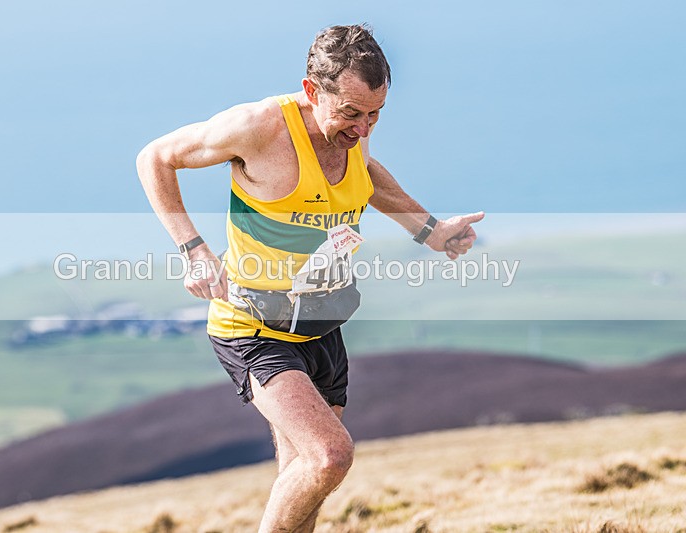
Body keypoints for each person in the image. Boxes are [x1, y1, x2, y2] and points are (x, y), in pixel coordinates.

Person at [137, 24, 484, 532]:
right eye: (350, 114)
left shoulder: (353, 129)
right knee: (329, 458)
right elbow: (156, 158)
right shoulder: (258, 128)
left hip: (322, 328)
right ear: (311, 91)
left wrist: (429, 229)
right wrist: (193, 250)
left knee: (302, 488)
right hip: (252, 328)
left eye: (375, 115)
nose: (363, 128)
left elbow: (366, 173)